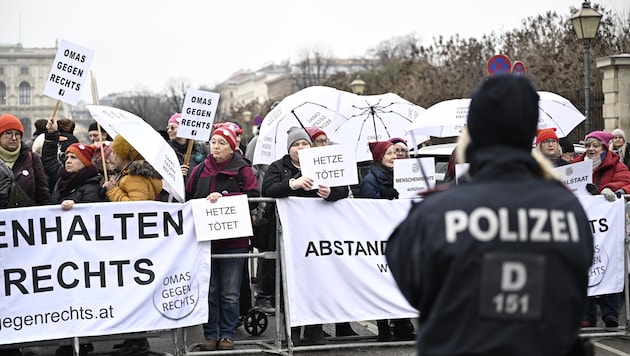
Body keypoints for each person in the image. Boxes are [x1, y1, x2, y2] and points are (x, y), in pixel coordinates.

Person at [385, 74, 595, 355]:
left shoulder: (436, 212)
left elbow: (412, 285)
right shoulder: (567, 208)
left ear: (473, 130)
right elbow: (574, 286)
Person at [262, 126, 348, 346]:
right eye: (296, 145)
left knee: (317, 279)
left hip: (317, 234)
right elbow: (268, 190)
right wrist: (292, 184)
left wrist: (331, 193)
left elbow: (344, 188)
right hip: (286, 235)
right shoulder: (278, 166)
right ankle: (290, 331)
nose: (300, 148)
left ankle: (314, 330)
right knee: (289, 280)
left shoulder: (323, 161)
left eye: (304, 144)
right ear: (289, 148)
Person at [186, 126, 259, 351]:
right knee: (210, 290)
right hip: (205, 242)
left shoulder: (243, 169)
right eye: (213, 142)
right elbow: (187, 198)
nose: (215, 147)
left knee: (229, 292)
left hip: (233, 242)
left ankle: (227, 334)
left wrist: (226, 197)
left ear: (232, 147)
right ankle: (210, 334)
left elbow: (255, 197)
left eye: (221, 143)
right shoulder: (199, 170)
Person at [41, 119, 107, 356]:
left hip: (80, 254)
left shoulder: (90, 187)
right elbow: (48, 161)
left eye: (73, 158)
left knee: (80, 297)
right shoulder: (64, 178)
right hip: (62, 251)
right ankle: (68, 340)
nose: (67, 161)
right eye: (67, 157)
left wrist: (76, 207)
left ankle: (83, 341)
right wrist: (51, 137)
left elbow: (91, 219)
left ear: (85, 164)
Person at [103, 134, 163, 355]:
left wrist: (112, 190)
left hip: (135, 242)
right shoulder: (129, 174)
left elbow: (136, 209)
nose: (112, 156)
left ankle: (138, 342)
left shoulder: (134, 178)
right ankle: (134, 339)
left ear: (126, 155)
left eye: (116, 153)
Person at [357, 140, 415, 342]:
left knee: (399, 281)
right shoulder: (371, 180)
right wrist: (384, 196)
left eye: (395, 153)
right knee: (382, 282)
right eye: (388, 153)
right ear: (379, 157)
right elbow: (366, 208)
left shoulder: (402, 175)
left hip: (400, 235)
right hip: (379, 238)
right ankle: (383, 328)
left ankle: (402, 325)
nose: (393, 156)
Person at [573, 130, 630, 329]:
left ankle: (610, 314)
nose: (590, 149)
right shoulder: (577, 166)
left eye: (595, 146)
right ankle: (587, 315)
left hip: (607, 229)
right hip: (583, 226)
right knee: (585, 268)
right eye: (588, 145)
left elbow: (627, 182)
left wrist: (612, 189)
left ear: (605, 148)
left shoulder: (617, 165)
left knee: (608, 266)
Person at [0, 113, 50, 206]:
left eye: (17, 134)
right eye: (8, 133)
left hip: (26, 217)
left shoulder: (32, 159)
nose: (14, 138)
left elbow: (43, 194)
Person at [166, 113, 205, 178]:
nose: (169, 131)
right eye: (168, 128)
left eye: (172, 128)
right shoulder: (167, 150)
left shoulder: (201, 149)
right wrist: (175, 174)